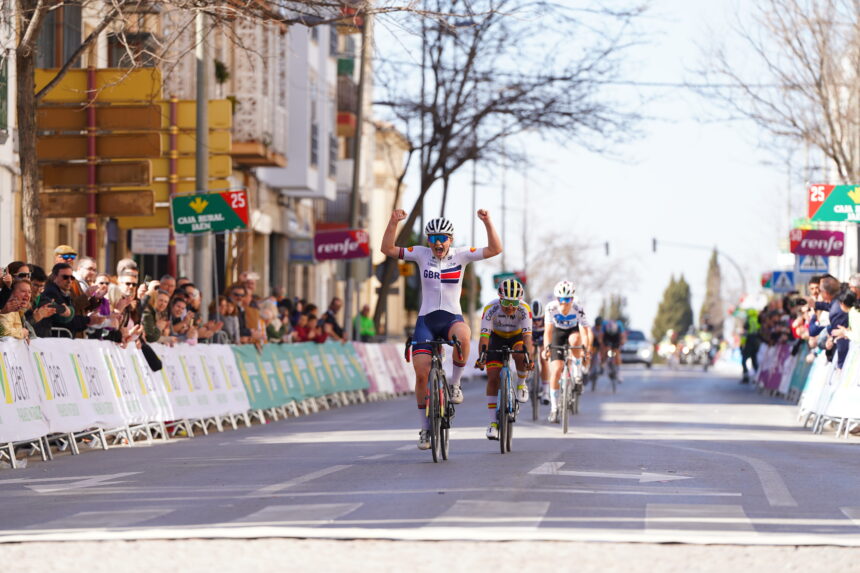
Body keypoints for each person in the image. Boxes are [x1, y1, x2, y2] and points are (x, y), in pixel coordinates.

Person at [380, 208, 502, 450]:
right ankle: (425, 429)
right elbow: (388, 249)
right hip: (426, 321)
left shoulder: (461, 255)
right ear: (428, 241)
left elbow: (495, 249)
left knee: (464, 336)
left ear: (450, 239)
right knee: (421, 374)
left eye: (442, 238)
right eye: (433, 238)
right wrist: (393, 222)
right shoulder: (421, 254)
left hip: (450, 318)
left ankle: (455, 384)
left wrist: (487, 222)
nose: (438, 243)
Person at [475, 279, 534, 440]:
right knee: (493, 377)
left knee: (521, 353)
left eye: (514, 302)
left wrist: (529, 358)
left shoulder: (524, 309)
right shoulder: (490, 308)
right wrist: (482, 357)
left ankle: (521, 384)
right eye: (507, 302)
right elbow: (484, 337)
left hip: (516, 337)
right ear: (500, 298)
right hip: (496, 338)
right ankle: (493, 423)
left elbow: (527, 338)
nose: (510, 307)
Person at [543, 280, 592, 423]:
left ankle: (577, 373)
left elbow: (585, 332)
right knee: (556, 370)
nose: (564, 303)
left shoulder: (578, 309)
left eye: (568, 299)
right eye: (561, 299)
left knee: (575, 341)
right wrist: (547, 348)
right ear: (557, 299)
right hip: (558, 333)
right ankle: (554, 408)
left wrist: (585, 349)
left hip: (573, 331)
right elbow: (548, 332)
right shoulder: (550, 308)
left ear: (572, 298)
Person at [530, 299, 550, 403]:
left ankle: (546, 392)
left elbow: (550, 334)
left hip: (543, 337)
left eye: (539, 319)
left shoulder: (548, 318)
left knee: (544, 359)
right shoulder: (526, 318)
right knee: (530, 351)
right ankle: (529, 373)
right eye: (534, 320)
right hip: (531, 336)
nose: (537, 322)